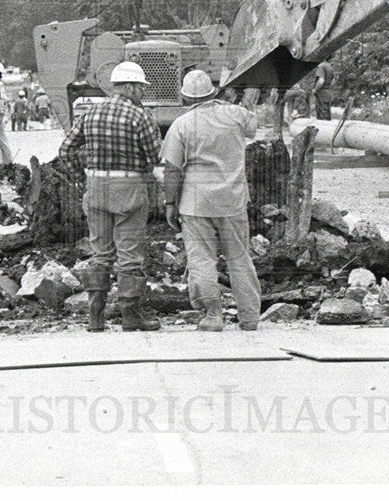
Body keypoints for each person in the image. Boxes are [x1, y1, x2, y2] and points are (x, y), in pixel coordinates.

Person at [59, 61, 162, 332]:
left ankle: (95, 316)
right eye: (140, 87)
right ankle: (131, 316)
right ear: (129, 86)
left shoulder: (90, 113)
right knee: (130, 255)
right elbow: (154, 155)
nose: (141, 92)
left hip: (96, 187)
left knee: (100, 253)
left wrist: (83, 178)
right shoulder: (140, 116)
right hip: (128, 188)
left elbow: (66, 150)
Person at [161, 70, 262, 331]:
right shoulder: (235, 115)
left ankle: (213, 316)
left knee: (202, 260)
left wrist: (170, 204)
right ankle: (249, 317)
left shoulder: (181, 125)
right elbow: (254, 123)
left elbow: (172, 170)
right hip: (232, 200)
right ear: (213, 92)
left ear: (184, 97)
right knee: (239, 258)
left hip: (195, 204)